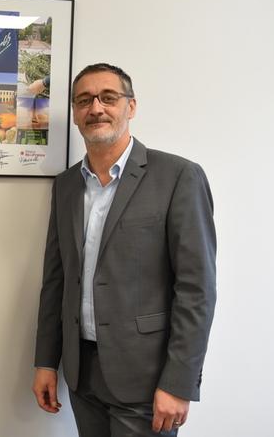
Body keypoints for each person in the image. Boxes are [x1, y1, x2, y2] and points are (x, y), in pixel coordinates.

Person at [32, 63, 216, 436]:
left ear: (130, 107)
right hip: (82, 374)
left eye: (108, 97)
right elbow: (57, 280)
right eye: (84, 100)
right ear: (74, 113)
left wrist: (179, 381)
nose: (95, 108)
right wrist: (46, 362)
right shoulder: (66, 186)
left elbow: (197, 289)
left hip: (147, 379)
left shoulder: (178, 176)